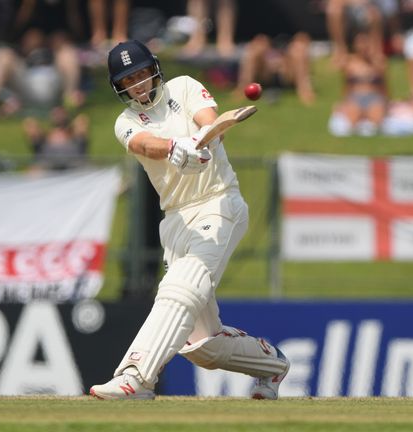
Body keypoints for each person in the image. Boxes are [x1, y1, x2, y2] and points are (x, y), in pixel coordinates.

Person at [89, 40, 290, 400]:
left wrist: (200, 142)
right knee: (202, 345)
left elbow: (212, 122)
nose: (137, 84)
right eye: (128, 80)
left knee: (179, 290)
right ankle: (272, 366)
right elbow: (143, 145)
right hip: (175, 219)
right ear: (119, 87)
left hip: (218, 204)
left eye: (140, 74)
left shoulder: (182, 86)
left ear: (153, 70)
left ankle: (135, 378)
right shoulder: (126, 121)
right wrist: (174, 148)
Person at [234, 33, 316, 106]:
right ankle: (243, 88)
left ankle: (304, 90)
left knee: (299, 47)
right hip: (265, 69)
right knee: (256, 46)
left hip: (288, 69)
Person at [22, 106, 89, 172]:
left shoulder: (74, 134)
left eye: (61, 113)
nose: (59, 116)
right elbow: (29, 123)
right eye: (56, 114)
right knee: (34, 171)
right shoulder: (44, 136)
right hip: (47, 165)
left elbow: (82, 120)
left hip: (74, 164)